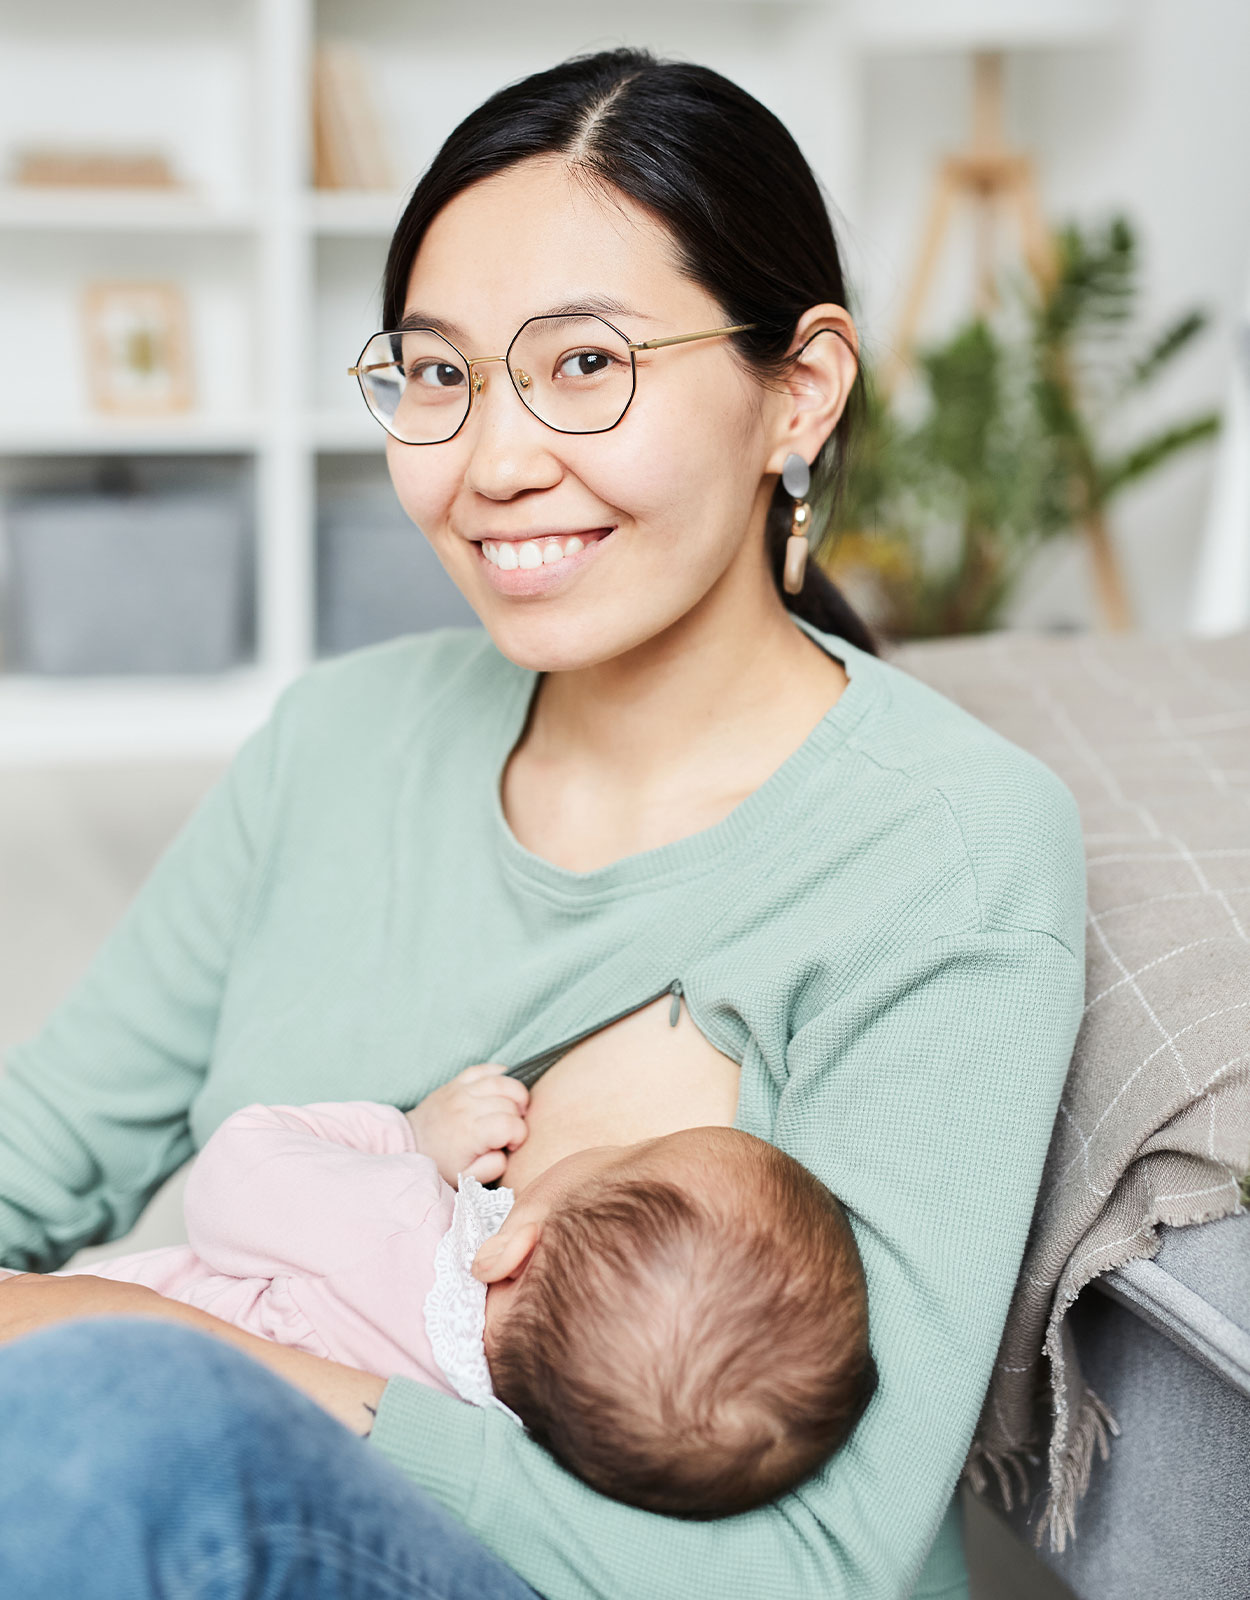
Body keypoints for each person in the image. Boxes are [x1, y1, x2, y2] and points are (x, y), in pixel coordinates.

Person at [0, 45, 1086, 1600]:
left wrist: (195, 1358)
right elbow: (35, 1157)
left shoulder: (951, 849)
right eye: (438, 374)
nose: (493, 465)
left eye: (585, 365)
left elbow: (813, 1565)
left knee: (120, 1426)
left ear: (799, 389)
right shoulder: (340, 738)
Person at [0, 1092, 877, 1518]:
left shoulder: (402, 1226)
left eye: (626, 1152)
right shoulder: (507, 1436)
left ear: (515, 1243)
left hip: (51, 1358)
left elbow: (235, 1172)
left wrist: (406, 1138)